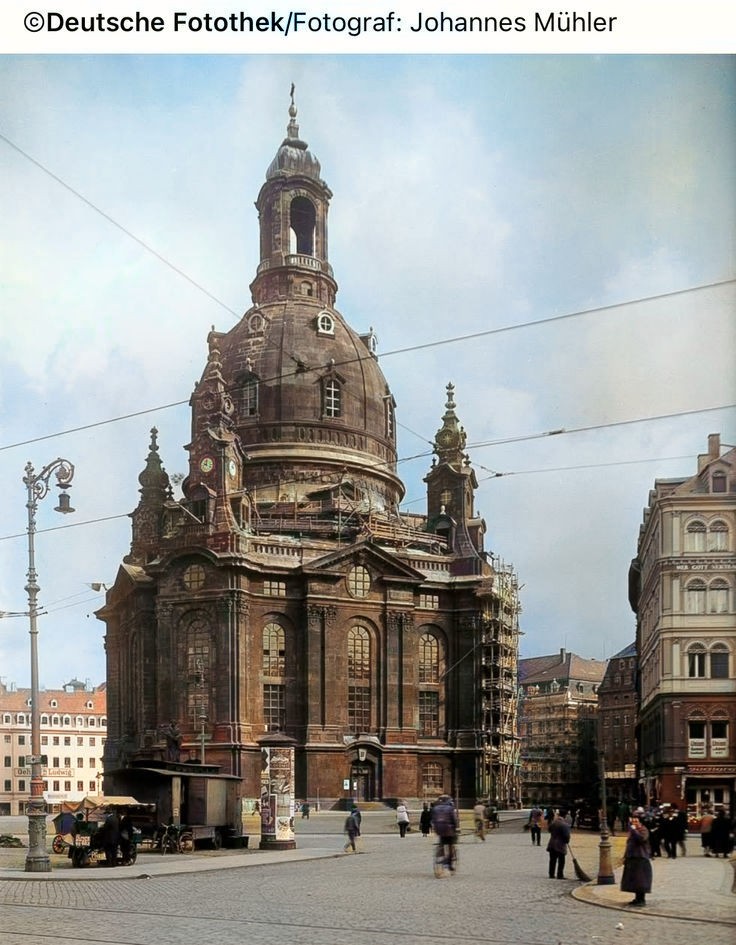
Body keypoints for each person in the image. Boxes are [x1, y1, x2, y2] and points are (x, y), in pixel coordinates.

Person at [621, 808, 652, 907]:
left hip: (641, 858)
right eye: (633, 821)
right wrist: (625, 857)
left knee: (641, 880)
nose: (634, 823)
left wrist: (634, 830)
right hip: (632, 858)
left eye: (636, 821)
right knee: (634, 880)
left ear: (640, 822)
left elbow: (641, 839)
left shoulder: (643, 830)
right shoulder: (633, 831)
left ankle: (641, 899)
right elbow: (629, 845)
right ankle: (637, 898)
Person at [431, 794, 459, 870]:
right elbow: (453, 820)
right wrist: (455, 828)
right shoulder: (450, 808)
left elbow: (433, 819)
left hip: (438, 829)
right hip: (448, 829)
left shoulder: (435, 808)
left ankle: (440, 855)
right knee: (450, 844)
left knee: (442, 841)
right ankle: (448, 863)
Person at [546, 810, 571, 879]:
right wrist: (567, 841)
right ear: (565, 816)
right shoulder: (564, 825)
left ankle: (551, 874)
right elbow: (566, 835)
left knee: (552, 860)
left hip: (552, 843)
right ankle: (560, 875)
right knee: (561, 860)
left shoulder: (553, 823)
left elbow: (549, 830)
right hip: (560, 845)